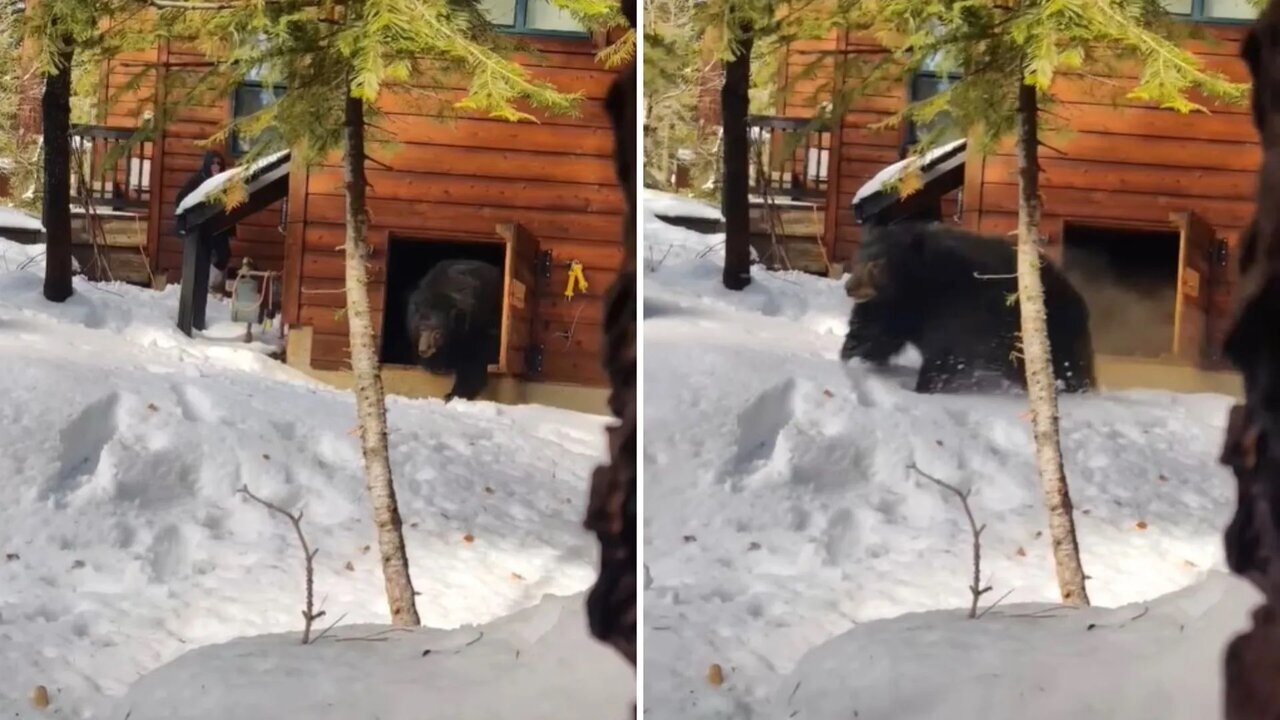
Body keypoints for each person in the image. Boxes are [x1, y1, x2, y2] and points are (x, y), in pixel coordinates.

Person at [174, 150, 236, 295]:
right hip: (200, 227)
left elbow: (230, 205)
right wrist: (182, 223)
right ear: (207, 164)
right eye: (213, 163)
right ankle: (195, 287)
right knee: (200, 255)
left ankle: (209, 284)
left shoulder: (224, 182)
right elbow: (181, 201)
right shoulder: (197, 180)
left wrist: (231, 229)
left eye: (218, 163)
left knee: (223, 255)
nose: (216, 166)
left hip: (218, 227)